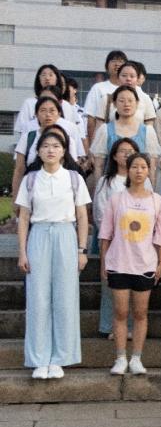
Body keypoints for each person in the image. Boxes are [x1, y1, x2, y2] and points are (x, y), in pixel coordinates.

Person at [15, 131, 91, 380]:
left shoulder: (73, 178)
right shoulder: (30, 180)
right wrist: (22, 251)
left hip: (65, 235)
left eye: (56, 146)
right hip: (38, 235)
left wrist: (82, 250)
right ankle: (39, 358)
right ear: (38, 151)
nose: (50, 150)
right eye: (45, 146)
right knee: (38, 298)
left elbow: (82, 216)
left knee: (65, 297)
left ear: (63, 151)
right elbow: (23, 218)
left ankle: (60, 358)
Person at [99, 153, 161, 376]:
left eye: (143, 167)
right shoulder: (117, 199)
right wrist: (103, 262)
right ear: (128, 170)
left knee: (140, 312)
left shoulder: (156, 200)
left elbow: (160, 235)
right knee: (120, 312)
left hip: (145, 263)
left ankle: (136, 357)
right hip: (119, 262)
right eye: (135, 167)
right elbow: (106, 233)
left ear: (148, 171)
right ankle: (120, 357)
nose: (139, 171)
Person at [92, 138, 149, 339]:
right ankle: (109, 326)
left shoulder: (145, 181)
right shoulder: (106, 181)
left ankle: (132, 327)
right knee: (112, 285)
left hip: (138, 241)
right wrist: (113, 233)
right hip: (113, 240)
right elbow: (99, 211)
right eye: (122, 151)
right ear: (114, 156)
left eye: (131, 151)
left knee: (136, 286)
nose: (126, 154)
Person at [11, 97, 86, 200]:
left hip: (62, 193)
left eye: (52, 110)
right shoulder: (28, 137)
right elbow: (19, 169)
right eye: (43, 110)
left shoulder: (68, 140)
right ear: (36, 114)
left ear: (59, 114)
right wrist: (16, 198)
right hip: (33, 191)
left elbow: (73, 169)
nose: (48, 115)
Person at [90, 85, 161, 186]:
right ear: (114, 104)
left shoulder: (147, 132)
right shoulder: (105, 130)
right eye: (121, 101)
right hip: (112, 185)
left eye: (130, 100)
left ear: (137, 103)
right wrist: (99, 188)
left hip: (139, 187)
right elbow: (99, 165)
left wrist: (151, 189)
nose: (126, 104)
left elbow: (152, 166)